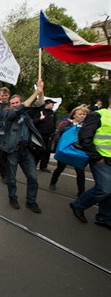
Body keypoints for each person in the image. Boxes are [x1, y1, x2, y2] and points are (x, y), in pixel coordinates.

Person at [0, 82, 45, 213]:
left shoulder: (27, 113)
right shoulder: (8, 114)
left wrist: (40, 91)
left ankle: (31, 201)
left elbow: (40, 105)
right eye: (12, 103)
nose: (15, 105)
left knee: (33, 178)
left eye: (17, 102)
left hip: (26, 151)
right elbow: (22, 108)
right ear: (10, 105)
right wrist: (35, 93)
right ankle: (12, 197)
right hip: (12, 151)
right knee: (12, 178)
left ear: (21, 102)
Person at [69, 94, 111, 230]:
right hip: (101, 159)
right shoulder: (98, 115)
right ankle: (78, 204)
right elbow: (84, 137)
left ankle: (104, 217)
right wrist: (96, 157)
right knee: (104, 188)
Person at [49, 105, 89, 196]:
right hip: (66, 151)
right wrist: (59, 145)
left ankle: (81, 192)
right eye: (80, 114)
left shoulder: (87, 126)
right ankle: (53, 183)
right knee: (59, 168)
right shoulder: (66, 123)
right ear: (74, 115)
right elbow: (58, 134)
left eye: (84, 114)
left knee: (80, 172)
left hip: (78, 152)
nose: (83, 116)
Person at [33, 99, 57, 172]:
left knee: (47, 152)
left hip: (49, 136)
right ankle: (33, 165)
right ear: (48, 104)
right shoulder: (40, 112)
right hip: (40, 135)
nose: (53, 105)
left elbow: (54, 124)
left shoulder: (53, 114)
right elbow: (33, 121)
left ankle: (43, 166)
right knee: (38, 151)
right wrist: (40, 119)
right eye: (52, 104)